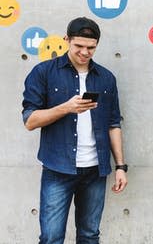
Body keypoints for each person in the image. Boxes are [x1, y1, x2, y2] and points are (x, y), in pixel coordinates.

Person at [21, 16, 128, 243]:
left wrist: (120, 166)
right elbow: (30, 120)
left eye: (91, 48)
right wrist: (66, 108)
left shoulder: (107, 78)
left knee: (90, 236)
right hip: (57, 168)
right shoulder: (44, 72)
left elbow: (113, 123)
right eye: (78, 46)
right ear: (66, 40)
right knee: (51, 237)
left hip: (95, 171)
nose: (85, 52)